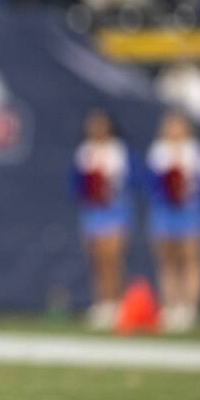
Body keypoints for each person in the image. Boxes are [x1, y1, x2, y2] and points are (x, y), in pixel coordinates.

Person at [71, 108, 132, 331]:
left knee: (112, 258)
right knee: (97, 259)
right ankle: (102, 302)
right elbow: (77, 184)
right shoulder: (84, 152)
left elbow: (124, 182)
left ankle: (117, 302)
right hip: (92, 211)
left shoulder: (118, 151)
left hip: (114, 209)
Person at [146, 109, 200, 333]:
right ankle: (171, 305)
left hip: (188, 209)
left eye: (178, 125)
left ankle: (189, 306)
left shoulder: (195, 152)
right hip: (164, 210)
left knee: (189, 255)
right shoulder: (158, 152)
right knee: (167, 258)